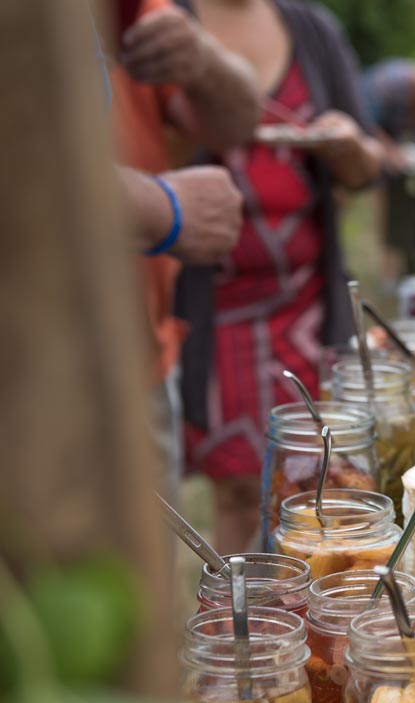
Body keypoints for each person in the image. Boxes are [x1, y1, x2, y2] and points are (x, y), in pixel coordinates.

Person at [174, 0, 383, 553]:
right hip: (211, 311)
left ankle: (305, 615)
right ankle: (240, 626)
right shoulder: (168, 22)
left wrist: (347, 145)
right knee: (243, 491)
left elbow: (367, 168)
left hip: (307, 307)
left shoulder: (311, 30)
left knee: (317, 479)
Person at [106, 0, 257, 505]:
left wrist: (202, 59)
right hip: (30, 384)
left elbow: (235, 121)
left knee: (142, 582)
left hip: (138, 369)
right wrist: (163, 207)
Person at [360, 59, 415, 283]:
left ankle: (413, 265)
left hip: (393, 136)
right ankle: (388, 270)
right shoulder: (386, 88)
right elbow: (365, 123)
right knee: (385, 201)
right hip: (365, 132)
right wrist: (391, 153)